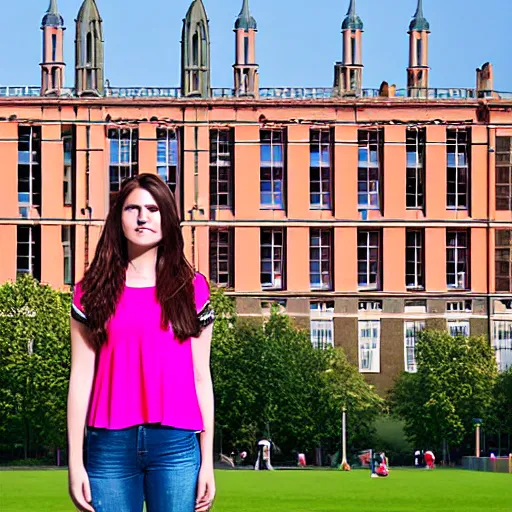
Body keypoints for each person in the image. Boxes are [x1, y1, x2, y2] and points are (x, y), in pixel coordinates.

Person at [67, 174, 215, 512]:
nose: (142, 217)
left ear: (167, 217)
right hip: (108, 446)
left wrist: (207, 460)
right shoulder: (89, 292)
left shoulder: (193, 289)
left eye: (152, 208)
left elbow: (201, 378)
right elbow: (80, 379)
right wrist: (75, 463)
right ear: (118, 218)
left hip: (176, 443)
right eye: (132, 208)